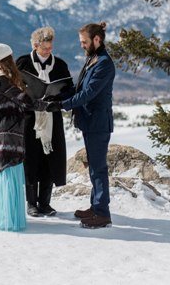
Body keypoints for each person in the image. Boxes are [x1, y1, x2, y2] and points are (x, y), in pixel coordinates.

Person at [41, 22, 115, 228]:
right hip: (89, 121)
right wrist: (58, 95)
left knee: (99, 168)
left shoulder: (104, 63)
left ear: (97, 40)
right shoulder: (92, 59)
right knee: (94, 167)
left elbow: (88, 94)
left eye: (84, 41)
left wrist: (61, 106)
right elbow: (79, 88)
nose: (82, 45)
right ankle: (95, 206)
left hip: (98, 123)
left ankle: (102, 213)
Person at [0, 43, 45, 232]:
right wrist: (50, 103)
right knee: (8, 171)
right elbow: (25, 100)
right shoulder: (1, 79)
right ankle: (8, 217)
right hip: (8, 132)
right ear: (6, 60)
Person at [16, 26, 74, 217]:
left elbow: (69, 89)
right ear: (35, 45)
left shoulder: (60, 65)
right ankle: (31, 203)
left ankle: (45, 203)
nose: (48, 51)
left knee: (50, 157)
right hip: (30, 118)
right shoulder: (23, 63)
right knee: (31, 158)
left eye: (50, 48)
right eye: (44, 49)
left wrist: (56, 100)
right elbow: (14, 88)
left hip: (52, 117)